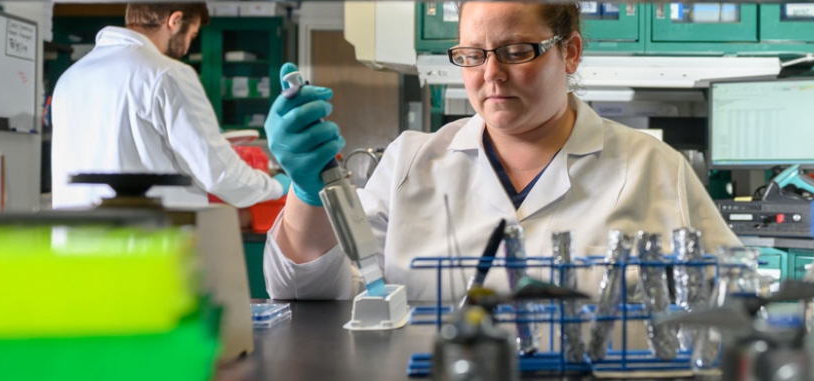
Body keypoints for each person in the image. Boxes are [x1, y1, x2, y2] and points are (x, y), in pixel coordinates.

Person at [263, 2, 741, 300]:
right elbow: (305, 291)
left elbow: (729, 294)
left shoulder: (652, 167)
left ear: (569, 52)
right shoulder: (412, 161)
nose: (490, 74)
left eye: (515, 52)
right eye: (473, 55)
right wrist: (309, 193)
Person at [51, 3, 289, 209]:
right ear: (174, 21)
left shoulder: (70, 77)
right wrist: (276, 187)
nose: (186, 47)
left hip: (76, 244)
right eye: (191, 35)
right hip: (145, 246)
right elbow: (217, 172)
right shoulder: (167, 73)